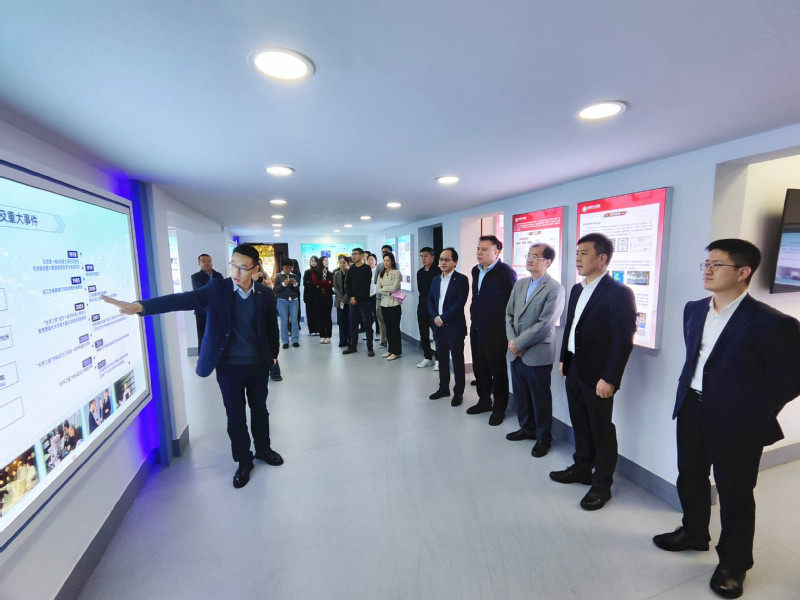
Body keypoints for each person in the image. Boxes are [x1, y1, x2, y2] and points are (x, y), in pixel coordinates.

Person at [652, 239, 800, 599]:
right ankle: (694, 532)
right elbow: (697, 359)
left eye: (717, 265)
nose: (707, 269)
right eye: (706, 263)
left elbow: (791, 379)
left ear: (743, 272)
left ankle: (734, 564)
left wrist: (754, 411)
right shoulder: (694, 309)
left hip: (738, 421)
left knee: (734, 492)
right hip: (692, 407)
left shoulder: (772, 322)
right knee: (690, 475)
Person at [101, 243, 283, 489]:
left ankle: (263, 448)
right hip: (229, 367)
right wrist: (142, 306)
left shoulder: (263, 294)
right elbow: (183, 299)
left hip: (257, 364)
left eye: (243, 267)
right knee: (235, 415)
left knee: (260, 410)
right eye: (233, 265)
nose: (236, 272)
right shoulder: (217, 288)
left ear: (255, 270)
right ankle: (243, 460)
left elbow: (271, 327)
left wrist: (273, 355)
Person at [550, 232, 636, 511]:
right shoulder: (578, 289)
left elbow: (623, 340)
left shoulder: (619, 293)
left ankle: (602, 485)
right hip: (575, 367)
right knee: (580, 422)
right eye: (577, 253)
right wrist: (564, 358)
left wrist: (610, 378)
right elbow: (571, 327)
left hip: (599, 375)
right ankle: (581, 468)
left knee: (601, 429)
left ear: (602, 258)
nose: (577, 258)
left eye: (584, 253)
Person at [504, 243, 565, 457]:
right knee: (521, 393)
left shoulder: (555, 288)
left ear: (547, 262)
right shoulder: (520, 284)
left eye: (535, 256)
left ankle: (543, 438)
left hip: (537, 352)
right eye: (529, 255)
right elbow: (509, 314)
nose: (529, 259)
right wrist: (513, 342)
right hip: (515, 350)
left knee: (540, 397)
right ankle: (527, 428)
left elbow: (545, 323)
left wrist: (519, 343)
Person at [468, 235, 517, 426]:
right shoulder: (476, 270)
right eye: (478, 248)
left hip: (496, 330)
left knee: (497, 370)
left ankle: (499, 408)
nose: (479, 252)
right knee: (479, 367)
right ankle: (484, 401)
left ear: (497, 252)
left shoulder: (506, 273)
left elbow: (512, 305)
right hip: (477, 326)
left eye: (484, 249)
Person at [428, 248, 469, 406]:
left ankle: (458, 392)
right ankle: (443, 388)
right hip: (438, 327)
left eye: (447, 259)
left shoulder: (461, 279)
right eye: (441, 259)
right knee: (442, 359)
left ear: (455, 262)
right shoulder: (435, 280)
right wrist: (435, 317)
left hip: (454, 327)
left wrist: (443, 318)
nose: (443, 262)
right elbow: (430, 300)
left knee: (457, 361)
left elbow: (459, 304)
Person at [343, 248, 375, 357]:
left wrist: (356, 298)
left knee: (367, 324)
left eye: (356, 254)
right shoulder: (351, 269)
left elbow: (365, 286)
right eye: (352, 254)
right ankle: (353, 346)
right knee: (354, 325)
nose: (353, 256)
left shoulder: (366, 268)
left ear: (361, 256)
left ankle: (370, 347)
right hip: (353, 302)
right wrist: (352, 297)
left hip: (364, 301)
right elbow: (347, 285)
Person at [253, 264, 283, 382]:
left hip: (265, 314)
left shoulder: (264, 277)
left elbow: (271, 289)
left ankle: (274, 370)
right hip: (252, 318)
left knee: (269, 342)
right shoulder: (244, 280)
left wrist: (264, 284)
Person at [190, 253, 224, 353]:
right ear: (199, 264)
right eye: (203, 261)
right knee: (203, 335)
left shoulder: (218, 275)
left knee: (218, 334)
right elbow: (200, 291)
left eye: (209, 261)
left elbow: (223, 290)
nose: (207, 263)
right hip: (202, 311)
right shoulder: (195, 277)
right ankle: (202, 356)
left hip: (217, 311)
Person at [416, 246, 440, 368]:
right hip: (422, 307)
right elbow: (421, 290)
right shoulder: (420, 272)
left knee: (437, 335)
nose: (423, 259)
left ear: (432, 257)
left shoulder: (438, 271)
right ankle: (427, 357)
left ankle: (439, 360)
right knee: (424, 335)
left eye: (426, 256)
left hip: (434, 308)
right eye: (421, 256)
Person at [377, 251, 403, 360]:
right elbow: (378, 289)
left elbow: (395, 287)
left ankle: (396, 352)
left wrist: (384, 289)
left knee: (395, 328)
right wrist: (387, 289)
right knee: (388, 327)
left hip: (394, 304)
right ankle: (390, 350)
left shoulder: (396, 273)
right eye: (384, 261)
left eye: (388, 260)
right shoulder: (381, 274)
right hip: (384, 304)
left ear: (392, 261)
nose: (386, 263)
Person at [274, 258, 301, 349]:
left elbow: (297, 290)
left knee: (294, 321)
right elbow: (275, 290)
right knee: (284, 321)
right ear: (283, 267)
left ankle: (295, 340)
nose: (288, 269)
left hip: (294, 300)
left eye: (290, 268)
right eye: (286, 267)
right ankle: (285, 341)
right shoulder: (278, 276)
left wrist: (295, 284)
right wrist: (283, 284)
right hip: (282, 300)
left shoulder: (294, 276)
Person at [373, 244, 393, 347]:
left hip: (391, 298)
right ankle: (383, 340)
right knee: (381, 319)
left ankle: (392, 340)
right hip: (380, 297)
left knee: (391, 319)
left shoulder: (396, 266)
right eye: (383, 252)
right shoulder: (379, 266)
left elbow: (394, 282)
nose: (384, 253)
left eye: (387, 251)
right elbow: (376, 281)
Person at [312, 255, 334, 343]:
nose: (326, 262)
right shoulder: (315, 273)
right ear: (321, 262)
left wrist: (322, 284)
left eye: (327, 260)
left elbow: (332, 283)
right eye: (325, 260)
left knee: (328, 316)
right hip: (318, 297)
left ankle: (328, 335)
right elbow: (316, 282)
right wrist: (326, 283)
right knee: (320, 316)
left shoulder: (330, 273)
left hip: (328, 296)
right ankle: (322, 335)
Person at [333, 255, 351, 348]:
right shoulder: (336, 274)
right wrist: (341, 298)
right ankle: (342, 340)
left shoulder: (350, 273)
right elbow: (335, 287)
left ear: (347, 263)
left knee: (349, 321)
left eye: (344, 262)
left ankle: (349, 339)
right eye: (340, 263)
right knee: (341, 321)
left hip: (349, 300)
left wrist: (345, 298)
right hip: (339, 301)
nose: (342, 264)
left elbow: (351, 287)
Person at [303, 256, 320, 336]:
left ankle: (318, 329)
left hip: (318, 296)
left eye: (315, 261)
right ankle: (312, 330)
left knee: (318, 312)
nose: (313, 262)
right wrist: (314, 284)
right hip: (309, 296)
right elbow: (305, 283)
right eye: (312, 261)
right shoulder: (307, 272)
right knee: (310, 313)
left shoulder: (319, 272)